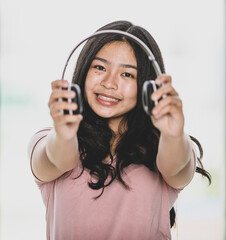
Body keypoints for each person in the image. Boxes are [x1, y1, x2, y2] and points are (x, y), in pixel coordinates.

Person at [28, 20, 211, 240]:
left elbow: (176, 165)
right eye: (100, 67)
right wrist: (65, 133)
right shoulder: (48, 140)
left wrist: (172, 133)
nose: (109, 83)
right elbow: (58, 158)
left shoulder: (167, 147)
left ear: (147, 86)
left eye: (127, 75)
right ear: (84, 71)